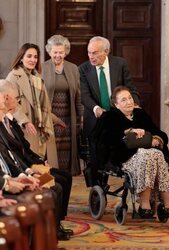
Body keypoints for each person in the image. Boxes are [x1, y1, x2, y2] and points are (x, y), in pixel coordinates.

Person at [93, 86, 169, 219]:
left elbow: (160, 133)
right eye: (123, 100)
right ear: (116, 105)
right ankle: (149, 203)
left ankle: (163, 205)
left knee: (155, 154)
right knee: (148, 154)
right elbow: (106, 139)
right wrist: (128, 132)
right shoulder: (110, 117)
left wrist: (156, 139)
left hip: (148, 157)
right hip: (124, 157)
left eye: (129, 98)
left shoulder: (140, 114)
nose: (129, 102)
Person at [0, 79, 73, 240]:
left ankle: (57, 223)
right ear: (5, 98)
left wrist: (40, 163)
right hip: (23, 171)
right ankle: (51, 229)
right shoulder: (3, 124)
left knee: (64, 177)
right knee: (57, 186)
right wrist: (28, 172)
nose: (17, 101)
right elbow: (11, 158)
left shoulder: (11, 122)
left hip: (30, 167)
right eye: (16, 98)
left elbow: (25, 149)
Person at [79, 36, 140, 184]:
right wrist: (96, 108)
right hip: (95, 119)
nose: (91, 57)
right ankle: (98, 190)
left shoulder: (120, 64)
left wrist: (135, 106)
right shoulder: (83, 69)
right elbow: (84, 95)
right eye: (89, 53)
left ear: (106, 51)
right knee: (96, 159)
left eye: (95, 53)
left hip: (118, 119)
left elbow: (130, 89)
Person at [6, 43, 58, 168]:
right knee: (34, 163)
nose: (33, 60)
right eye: (29, 56)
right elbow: (11, 103)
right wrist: (25, 121)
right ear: (21, 57)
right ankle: (38, 186)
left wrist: (55, 119)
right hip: (26, 127)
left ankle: (47, 186)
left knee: (44, 162)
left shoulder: (37, 77)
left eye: (35, 57)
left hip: (41, 125)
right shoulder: (13, 76)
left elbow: (43, 105)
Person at [43, 35, 84, 175]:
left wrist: (81, 116)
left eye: (61, 52)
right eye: (55, 52)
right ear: (49, 51)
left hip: (68, 119)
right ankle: (51, 184)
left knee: (66, 155)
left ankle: (65, 182)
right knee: (49, 153)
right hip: (49, 117)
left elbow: (78, 94)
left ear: (66, 52)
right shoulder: (42, 68)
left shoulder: (73, 68)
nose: (58, 55)